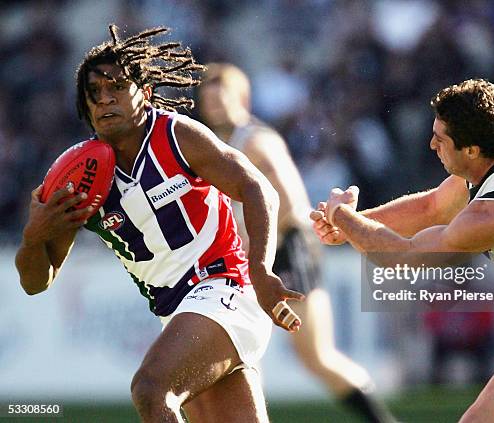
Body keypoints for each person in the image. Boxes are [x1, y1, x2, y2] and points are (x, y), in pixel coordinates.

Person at [14, 25, 305, 423]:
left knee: (151, 389)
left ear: (146, 93)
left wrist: (261, 270)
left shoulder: (176, 135)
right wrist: (35, 235)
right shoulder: (80, 178)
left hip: (227, 288)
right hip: (179, 312)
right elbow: (36, 281)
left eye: (116, 87)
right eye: (94, 94)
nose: (104, 100)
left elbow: (259, 190)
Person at [311, 79, 494, 422]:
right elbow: (432, 207)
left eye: (440, 139)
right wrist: (348, 226)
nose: (431, 145)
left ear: (470, 149)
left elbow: (402, 256)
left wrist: (341, 215)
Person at [196, 63, 396, 423]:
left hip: (286, 249)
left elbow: (289, 203)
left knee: (315, 357)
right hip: (260, 254)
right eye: (207, 100)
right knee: (234, 352)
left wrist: (255, 251)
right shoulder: (220, 145)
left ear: (242, 97)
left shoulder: (255, 141)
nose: (213, 107)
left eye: (220, 98)